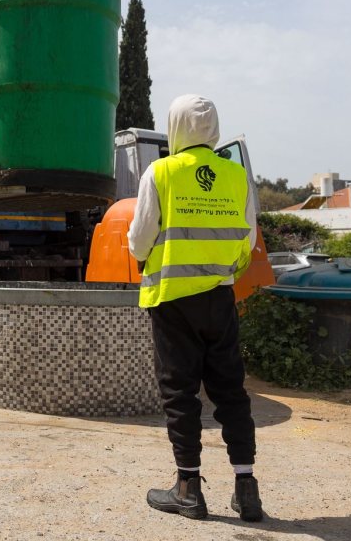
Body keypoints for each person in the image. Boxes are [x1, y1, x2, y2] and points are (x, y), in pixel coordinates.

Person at [127, 94, 263, 522]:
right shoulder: (236, 176)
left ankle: (189, 489)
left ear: (175, 127)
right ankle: (247, 489)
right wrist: (223, 272)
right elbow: (247, 240)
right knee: (231, 391)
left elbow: (138, 239)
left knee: (180, 393)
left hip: (173, 300)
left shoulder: (161, 172)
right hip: (220, 298)